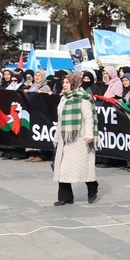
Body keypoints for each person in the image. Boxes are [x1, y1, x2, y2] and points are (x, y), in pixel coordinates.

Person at [52, 74, 99, 206]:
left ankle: (92, 185)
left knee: (82, 167)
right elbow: (60, 120)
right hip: (65, 138)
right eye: (64, 82)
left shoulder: (83, 98)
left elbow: (89, 118)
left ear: (75, 84)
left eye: (67, 82)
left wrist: (89, 135)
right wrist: (56, 137)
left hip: (80, 138)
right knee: (62, 167)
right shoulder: (63, 98)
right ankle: (65, 197)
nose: (64, 85)